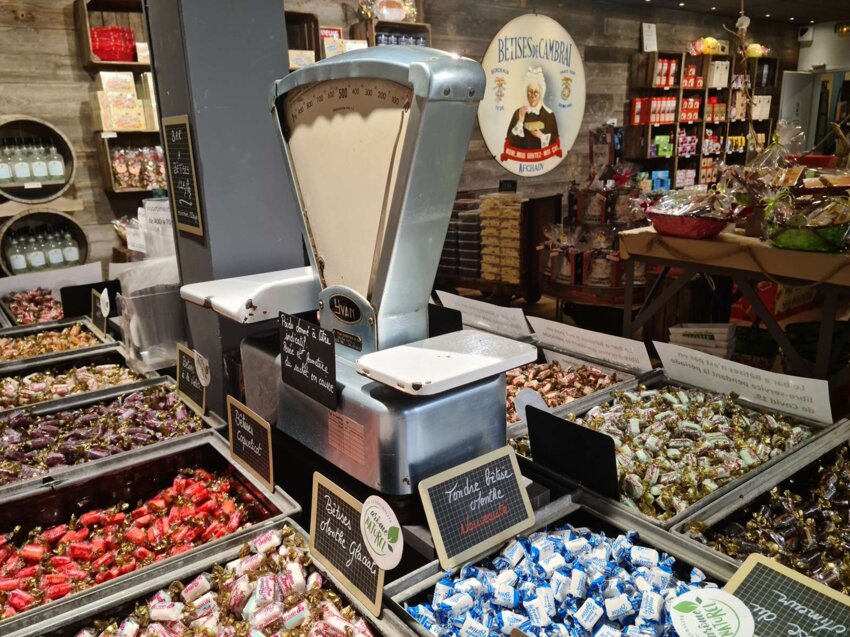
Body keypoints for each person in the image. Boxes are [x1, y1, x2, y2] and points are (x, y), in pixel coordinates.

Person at [505, 68, 559, 150]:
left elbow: (556, 143)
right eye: (530, 92)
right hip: (522, 157)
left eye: (536, 92)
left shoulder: (549, 115)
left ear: (541, 94)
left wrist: (541, 136)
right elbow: (509, 143)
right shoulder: (518, 113)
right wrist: (520, 122)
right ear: (526, 93)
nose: (533, 95)